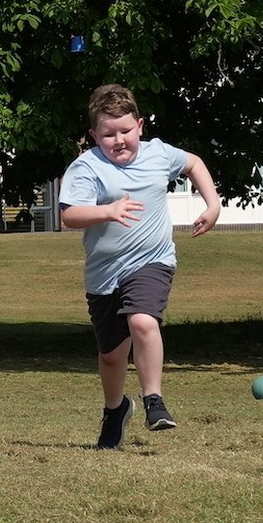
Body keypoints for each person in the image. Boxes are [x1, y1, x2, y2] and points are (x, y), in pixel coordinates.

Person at [57, 84, 220, 448]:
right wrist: (107, 211)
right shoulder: (86, 167)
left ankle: (154, 401)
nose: (118, 140)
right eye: (108, 134)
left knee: (143, 321)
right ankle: (115, 410)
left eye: (126, 131)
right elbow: (69, 215)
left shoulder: (159, 154)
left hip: (152, 261)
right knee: (112, 356)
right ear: (93, 135)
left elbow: (194, 163)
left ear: (141, 126)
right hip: (104, 274)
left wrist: (212, 204)